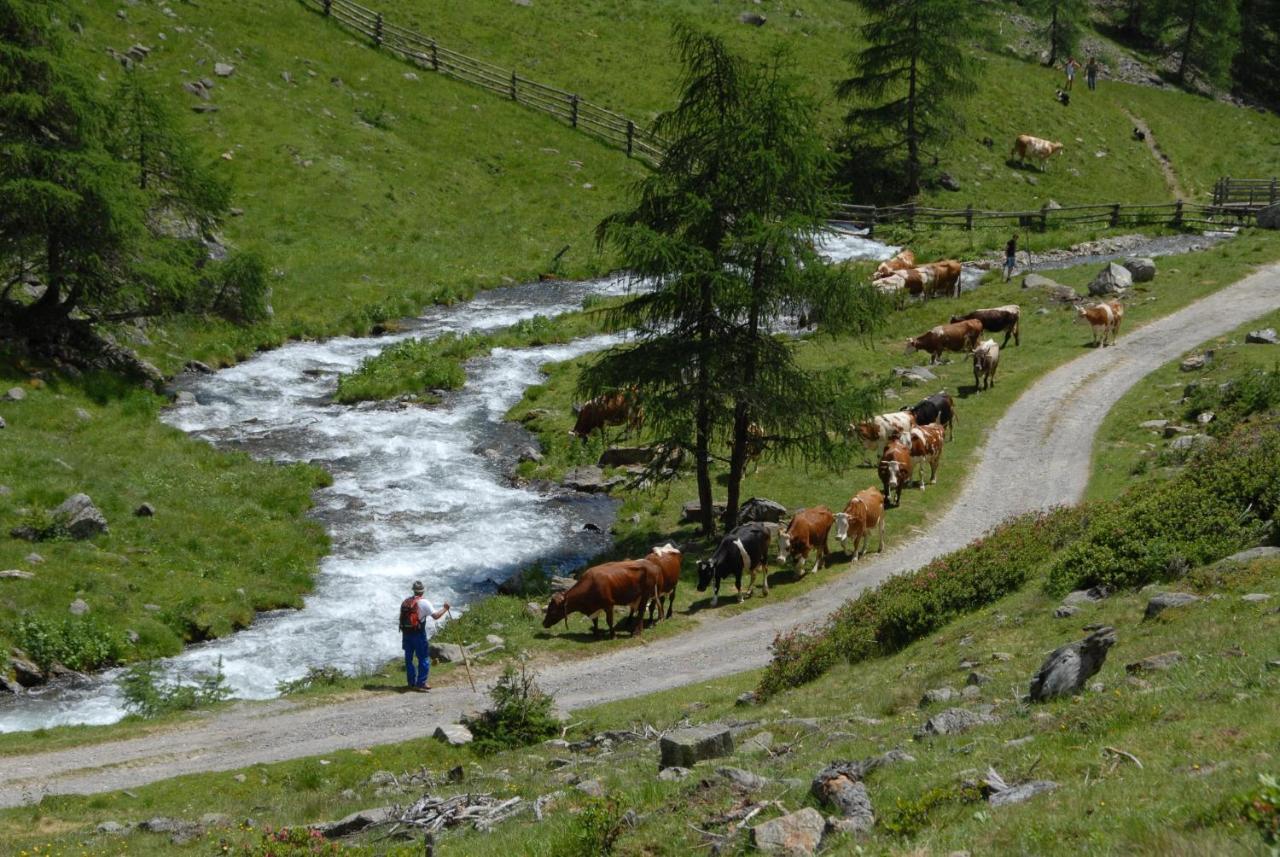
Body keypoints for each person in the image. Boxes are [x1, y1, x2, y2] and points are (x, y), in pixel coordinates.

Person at [399, 580, 449, 691]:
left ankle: (411, 683)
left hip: (406, 634)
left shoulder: (406, 602)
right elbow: (435, 616)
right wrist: (445, 608)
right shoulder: (424, 602)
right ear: (423, 591)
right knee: (423, 658)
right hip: (418, 634)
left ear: (413, 590)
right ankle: (421, 682)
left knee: (408, 659)